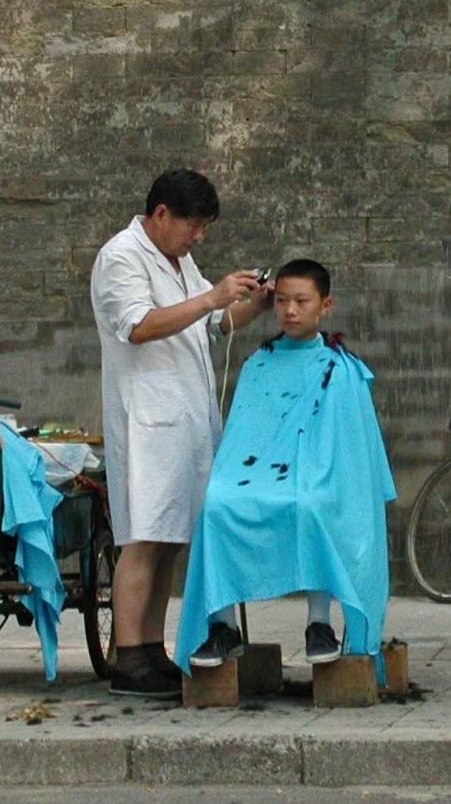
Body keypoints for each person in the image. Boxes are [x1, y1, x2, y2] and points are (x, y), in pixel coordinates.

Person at [90, 168, 273, 698]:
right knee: (143, 537)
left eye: (205, 228)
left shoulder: (178, 259)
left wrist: (254, 304)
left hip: (186, 422)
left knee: (170, 539)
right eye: (193, 225)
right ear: (161, 213)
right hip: (147, 422)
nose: (199, 237)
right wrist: (213, 297)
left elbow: (213, 324)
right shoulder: (121, 257)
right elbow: (139, 325)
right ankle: (128, 657)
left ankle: (152, 649)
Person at [173, 259, 396, 673]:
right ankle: (222, 628)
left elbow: (351, 453)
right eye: (281, 301)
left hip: (320, 478)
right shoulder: (258, 363)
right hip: (255, 474)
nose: (290, 311)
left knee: (309, 505)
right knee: (216, 505)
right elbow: (241, 438)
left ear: (325, 305)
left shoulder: (340, 369)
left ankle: (319, 623)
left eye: (301, 301)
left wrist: (313, 476)